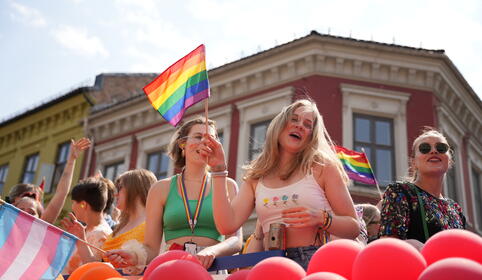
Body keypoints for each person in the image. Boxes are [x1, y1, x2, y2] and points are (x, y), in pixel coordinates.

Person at [211, 99, 360, 269]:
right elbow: (226, 225)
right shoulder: (257, 175)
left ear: (311, 135)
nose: (299, 126)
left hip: (313, 260)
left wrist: (320, 218)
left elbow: (353, 227)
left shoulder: (322, 167)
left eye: (307, 124)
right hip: (270, 262)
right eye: (294, 119)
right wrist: (218, 170)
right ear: (280, 124)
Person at [105, 117, 242, 272]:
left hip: (212, 270)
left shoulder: (228, 185)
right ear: (182, 144)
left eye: (211, 138)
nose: (205, 142)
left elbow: (236, 240)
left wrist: (212, 251)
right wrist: (134, 256)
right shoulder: (160, 189)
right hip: (172, 269)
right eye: (198, 137)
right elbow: (151, 248)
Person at [379, 128, 466, 246]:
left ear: (449, 161)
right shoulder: (400, 192)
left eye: (441, 148)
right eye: (425, 148)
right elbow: (389, 245)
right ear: (414, 163)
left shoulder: (455, 209)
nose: (434, 151)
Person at [10, 138, 91, 224]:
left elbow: (61, 192)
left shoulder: (39, 226)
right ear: (13, 203)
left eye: (32, 212)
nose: (26, 214)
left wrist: (71, 160)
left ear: (40, 215)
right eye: (21, 210)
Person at [61, 177, 113, 274]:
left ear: (83, 205)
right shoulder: (89, 230)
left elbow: (93, 271)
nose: (72, 207)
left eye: (73, 203)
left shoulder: (100, 233)